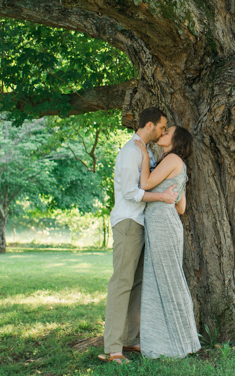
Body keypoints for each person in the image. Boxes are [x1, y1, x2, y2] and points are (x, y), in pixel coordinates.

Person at [100, 107, 178, 365]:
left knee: (136, 284)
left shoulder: (146, 152)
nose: (163, 131)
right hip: (128, 222)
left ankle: (130, 338)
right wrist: (162, 197)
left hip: (142, 223)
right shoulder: (130, 152)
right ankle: (112, 348)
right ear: (148, 126)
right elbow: (130, 193)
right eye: (161, 126)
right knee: (121, 283)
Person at [134, 125, 201, 358]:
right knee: (166, 279)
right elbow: (181, 207)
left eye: (168, 131)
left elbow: (145, 184)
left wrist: (143, 156)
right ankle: (177, 341)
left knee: (164, 280)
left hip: (162, 225)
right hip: (168, 223)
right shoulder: (175, 163)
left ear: (176, 139)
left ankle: (173, 344)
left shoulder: (172, 158)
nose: (163, 133)